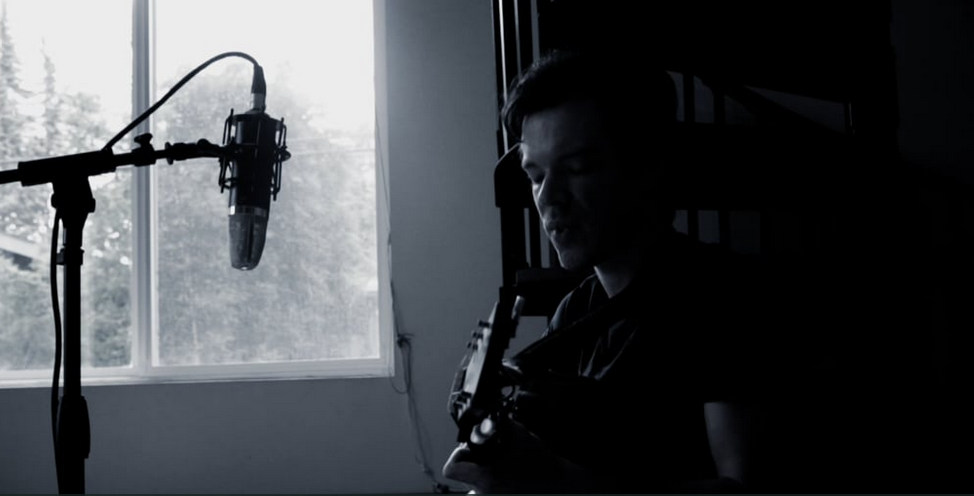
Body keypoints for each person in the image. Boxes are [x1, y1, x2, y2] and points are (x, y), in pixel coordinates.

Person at [442, 50, 776, 493]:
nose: (548, 198)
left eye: (577, 168)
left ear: (649, 167)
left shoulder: (726, 298)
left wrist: (554, 480)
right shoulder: (574, 312)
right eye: (536, 176)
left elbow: (744, 487)